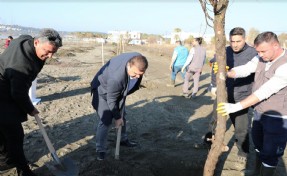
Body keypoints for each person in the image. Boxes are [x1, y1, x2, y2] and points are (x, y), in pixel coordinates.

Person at [217, 31, 287, 176]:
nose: (260, 55)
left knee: (270, 153)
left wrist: (236, 106)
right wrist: (228, 72)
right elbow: (246, 69)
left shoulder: (285, 65)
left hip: (278, 118)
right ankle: (256, 172)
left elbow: (265, 91)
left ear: (275, 46)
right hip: (259, 112)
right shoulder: (261, 57)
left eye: (263, 51)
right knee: (259, 146)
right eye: (258, 51)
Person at [0, 29, 62, 176]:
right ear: (36, 42)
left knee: (2, 134)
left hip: (7, 85)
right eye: (47, 52)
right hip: (2, 95)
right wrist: (30, 109)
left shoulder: (25, 39)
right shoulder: (22, 65)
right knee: (15, 136)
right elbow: (19, 93)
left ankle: (4, 161)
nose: (50, 56)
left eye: (53, 52)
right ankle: (24, 170)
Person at [194, 28, 258, 164]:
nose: (235, 44)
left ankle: (243, 150)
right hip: (223, 92)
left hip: (242, 95)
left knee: (241, 127)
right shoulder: (224, 51)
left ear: (244, 39)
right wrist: (213, 85)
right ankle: (208, 141)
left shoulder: (253, 53)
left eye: (238, 41)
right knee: (214, 121)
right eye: (232, 41)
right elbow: (214, 68)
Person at [91, 52, 148, 161]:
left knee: (123, 116)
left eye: (140, 75)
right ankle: (100, 149)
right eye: (135, 74)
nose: (137, 77)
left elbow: (123, 91)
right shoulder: (116, 78)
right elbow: (111, 100)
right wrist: (117, 118)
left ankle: (122, 139)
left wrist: (119, 116)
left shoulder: (138, 59)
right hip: (103, 92)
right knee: (106, 120)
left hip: (117, 90)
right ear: (130, 65)